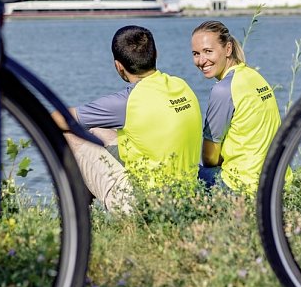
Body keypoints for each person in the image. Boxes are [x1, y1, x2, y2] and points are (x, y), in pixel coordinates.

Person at [52, 25, 202, 212]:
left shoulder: (129, 101)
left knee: (69, 137)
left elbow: (58, 119)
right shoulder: (181, 85)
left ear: (118, 66)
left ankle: (76, 219)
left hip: (144, 203)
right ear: (156, 54)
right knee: (98, 131)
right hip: (187, 194)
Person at [191, 20, 281, 193]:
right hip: (276, 180)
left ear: (228, 49)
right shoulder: (254, 76)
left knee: (184, 173)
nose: (201, 61)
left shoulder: (223, 89)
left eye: (208, 51)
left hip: (243, 186)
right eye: (196, 53)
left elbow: (210, 158)